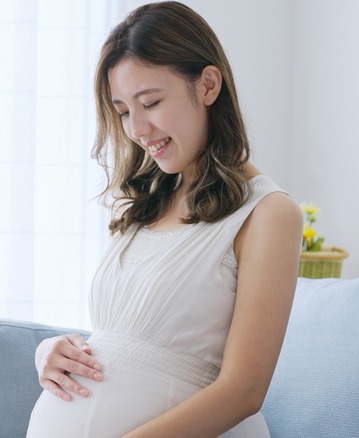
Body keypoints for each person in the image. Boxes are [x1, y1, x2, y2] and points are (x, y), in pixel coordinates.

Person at [26, 2, 302, 436]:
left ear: (208, 85)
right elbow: (138, 343)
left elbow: (244, 390)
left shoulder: (269, 214)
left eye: (150, 102)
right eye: (122, 111)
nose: (137, 128)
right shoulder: (145, 203)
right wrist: (51, 353)